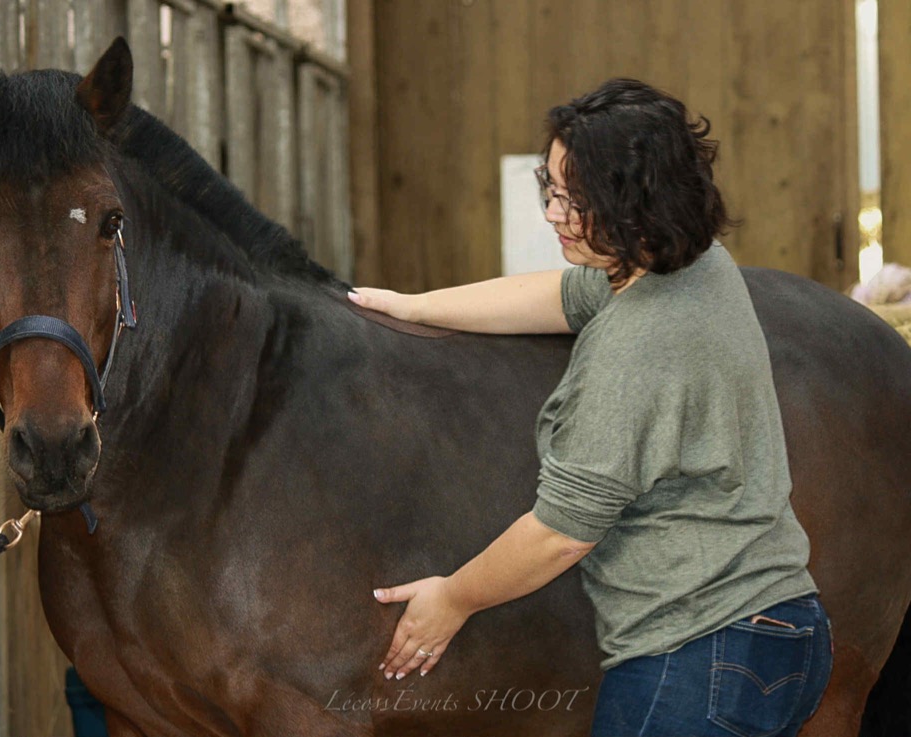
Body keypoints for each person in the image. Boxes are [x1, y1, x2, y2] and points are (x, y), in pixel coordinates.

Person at [347, 79, 833, 737]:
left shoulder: (638, 345)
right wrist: (416, 307)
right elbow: (564, 295)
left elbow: (561, 532)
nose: (554, 213)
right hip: (787, 628)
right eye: (549, 187)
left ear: (640, 203)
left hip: (697, 659)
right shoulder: (693, 265)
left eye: (578, 200)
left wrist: (452, 597)